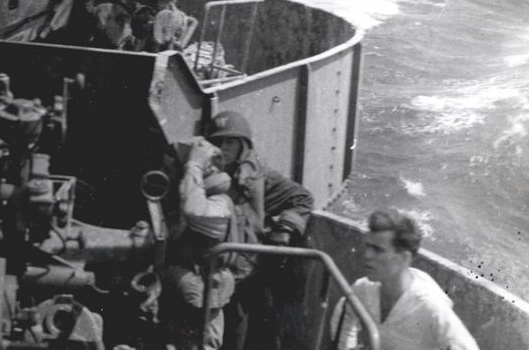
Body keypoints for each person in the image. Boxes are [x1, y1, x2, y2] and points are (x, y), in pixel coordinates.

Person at [206, 110, 314, 350]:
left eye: (230, 142)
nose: (223, 148)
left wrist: (284, 230)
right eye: (217, 142)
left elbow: (302, 198)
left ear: (243, 145)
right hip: (215, 268)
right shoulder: (205, 175)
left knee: (246, 331)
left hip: (248, 270)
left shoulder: (257, 179)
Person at [331, 209, 479, 350]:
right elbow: (345, 315)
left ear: (404, 258)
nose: (367, 255)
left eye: (378, 249)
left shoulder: (429, 304)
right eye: (367, 246)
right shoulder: (363, 289)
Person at [162, 136, 237, 350]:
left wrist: (193, 164)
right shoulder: (194, 202)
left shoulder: (220, 205)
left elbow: (194, 209)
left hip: (203, 299)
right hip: (187, 297)